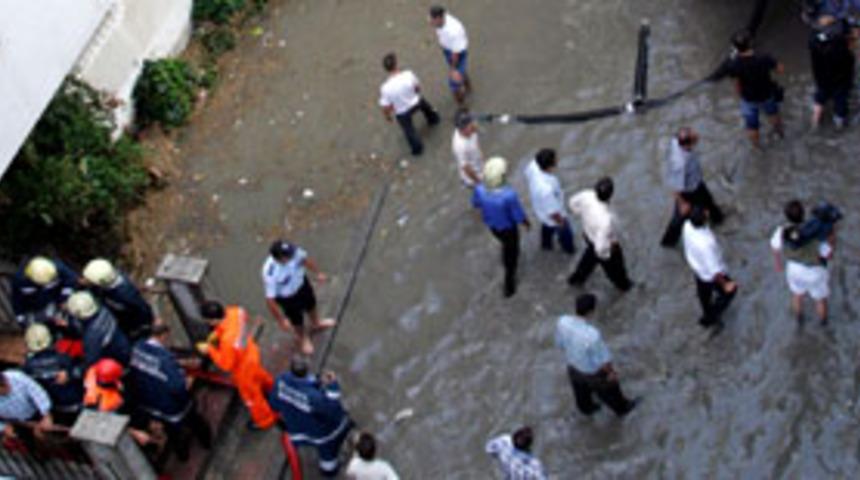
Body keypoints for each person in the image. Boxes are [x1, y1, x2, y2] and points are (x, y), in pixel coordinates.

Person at [128, 323, 211, 462]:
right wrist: (186, 382)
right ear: (163, 336)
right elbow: (178, 387)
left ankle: (182, 456)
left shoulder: (136, 348)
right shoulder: (165, 359)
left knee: (172, 433)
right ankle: (206, 442)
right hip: (172, 406)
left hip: (151, 403)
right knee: (195, 421)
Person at [268, 357, 353, 477]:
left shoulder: (280, 381)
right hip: (318, 433)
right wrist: (333, 385)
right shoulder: (314, 397)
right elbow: (332, 409)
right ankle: (329, 470)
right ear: (307, 370)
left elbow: (274, 404)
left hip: (296, 430)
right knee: (328, 451)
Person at [198, 301, 277, 430]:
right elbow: (238, 324)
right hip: (251, 352)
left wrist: (210, 350)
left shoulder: (227, 340)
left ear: (212, 320)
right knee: (260, 375)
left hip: (243, 367)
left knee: (251, 395)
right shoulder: (236, 311)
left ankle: (264, 419)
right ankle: (272, 389)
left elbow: (226, 364)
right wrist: (218, 332)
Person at [556, 294, 638, 417]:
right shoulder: (592, 335)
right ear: (591, 311)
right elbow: (604, 362)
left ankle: (587, 409)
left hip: (573, 368)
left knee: (582, 396)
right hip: (592, 374)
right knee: (613, 393)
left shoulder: (562, 321)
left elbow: (560, 344)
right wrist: (612, 374)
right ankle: (622, 409)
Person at [770, 200, 838, 325]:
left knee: (797, 295)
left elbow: (775, 247)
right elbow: (828, 255)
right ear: (804, 213)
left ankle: (799, 320)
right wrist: (832, 240)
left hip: (794, 269)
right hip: (815, 271)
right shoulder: (815, 232)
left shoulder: (782, 231)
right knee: (820, 300)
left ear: (786, 216)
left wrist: (778, 264)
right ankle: (823, 324)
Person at [262, 240, 335, 355]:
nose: (292, 256)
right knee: (297, 320)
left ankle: (316, 323)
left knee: (311, 304)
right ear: (279, 258)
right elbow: (270, 299)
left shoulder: (294, 251)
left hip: (302, 284)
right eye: (288, 256)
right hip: (287, 298)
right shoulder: (270, 272)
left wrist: (318, 273)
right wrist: (280, 320)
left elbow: (305, 260)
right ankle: (303, 339)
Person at [472, 157, 531, 298]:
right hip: (509, 229)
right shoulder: (508, 195)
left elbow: (476, 204)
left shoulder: (479, 189)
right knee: (512, 254)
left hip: (493, 226)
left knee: (505, 244)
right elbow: (518, 215)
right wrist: (527, 224)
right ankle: (509, 286)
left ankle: (506, 259)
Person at [716, 29, 785, 148]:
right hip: (766, 94)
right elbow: (780, 70)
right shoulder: (763, 57)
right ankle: (779, 133)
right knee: (773, 114)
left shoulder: (734, 64)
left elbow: (737, 83)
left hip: (748, 98)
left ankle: (757, 147)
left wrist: (741, 96)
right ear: (750, 43)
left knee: (752, 125)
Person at [660, 127, 724, 247]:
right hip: (688, 192)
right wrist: (682, 203)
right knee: (679, 218)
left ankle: (718, 219)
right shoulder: (681, 163)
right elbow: (675, 187)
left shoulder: (676, 141)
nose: (696, 134)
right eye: (694, 135)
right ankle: (668, 242)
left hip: (697, 183)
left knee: (710, 203)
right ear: (689, 143)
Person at [567, 177, 632, 291]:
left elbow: (571, 202)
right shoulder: (605, 220)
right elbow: (600, 248)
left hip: (588, 235)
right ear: (610, 195)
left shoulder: (587, 195)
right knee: (616, 272)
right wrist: (609, 251)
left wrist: (580, 213)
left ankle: (576, 280)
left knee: (588, 259)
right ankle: (624, 286)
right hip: (602, 244)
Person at [682, 207, 738, 330]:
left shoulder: (687, 226)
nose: (707, 211)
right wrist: (725, 285)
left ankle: (706, 311)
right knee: (730, 293)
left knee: (704, 293)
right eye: (705, 212)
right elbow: (715, 272)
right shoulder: (707, 244)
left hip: (698, 268)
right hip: (708, 274)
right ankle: (710, 317)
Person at [379, 52, 440, 156]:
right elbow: (417, 88)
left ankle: (417, 148)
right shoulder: (408, 74)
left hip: (402, 111)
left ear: (386, 69)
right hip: (415, 101)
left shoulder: (385, 88)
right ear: (396, 64)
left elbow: (386, 106)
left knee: (409, 130)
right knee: (427, 108)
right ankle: (434, 119)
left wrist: (387, 116)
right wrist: (415, 93)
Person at [22, 324, 84, 426]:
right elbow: (81, 373)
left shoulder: (28, 367)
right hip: (74, 405)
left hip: (52, 409)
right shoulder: (64, 359)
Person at [82, 258, 154, 341]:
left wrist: (145, 326)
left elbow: (142, 309)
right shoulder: (110, 281)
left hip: (133, 324)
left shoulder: (126, 295)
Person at [524, 148, 575, 255]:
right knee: (566, 235)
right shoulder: (546, 189)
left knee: (546, 228)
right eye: (555, 159)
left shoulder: (533, 166)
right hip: (554, 215)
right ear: (550, 166)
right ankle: (569, 251)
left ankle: (546, 246)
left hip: (540, 210)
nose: (557, 159)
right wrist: (561, 222)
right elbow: (553, 212)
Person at [809, 15, 855, 129]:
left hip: (822, 79)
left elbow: (819, 36)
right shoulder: (842, 49)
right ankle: (839, 125)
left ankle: (814, 123)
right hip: (840, 81)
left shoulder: (815, 41)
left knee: (819, 99)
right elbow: (849, 62)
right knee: (840, 103)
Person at [66, 291, 130, 368]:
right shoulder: (103, 309)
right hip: (122, 344)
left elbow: (91, 361)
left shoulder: (92, 335)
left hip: (115, 359)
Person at [10, 256, 79, 328]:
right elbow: (16, 300)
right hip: (36, 309)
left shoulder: (59, 268)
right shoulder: (20, 280)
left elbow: (71, 280)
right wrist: (20, 318)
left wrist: (64, 298)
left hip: (55, 302)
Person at [0, 370, 54, 447]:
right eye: (2, 388)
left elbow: (37, 393)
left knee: (47, 439)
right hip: (14, 422)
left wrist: (46, 416)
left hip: (37, 413)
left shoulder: (17, 377)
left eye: (6, 384)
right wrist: (3, 428)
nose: (7, 388)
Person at [429, 5, 471, 104]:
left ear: (439, 18)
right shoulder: (439, 18)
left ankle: (462, 107)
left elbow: (455, 54)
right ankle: (468, 86)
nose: (430, 21)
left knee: (453, 84)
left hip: (457, 53)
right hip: (448, 49)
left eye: (433, 20)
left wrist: (453, 70)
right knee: (461, 72)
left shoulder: (454, 31)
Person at [451, 109, 483, 187]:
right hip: (473, 177)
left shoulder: (472, 129)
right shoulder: (460, 146)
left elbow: (476, 143)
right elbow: (466, 168)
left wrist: (482, 157)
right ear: (462, 129)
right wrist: (478, 182)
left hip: (479, 164)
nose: (473, 125)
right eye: (470, 124)